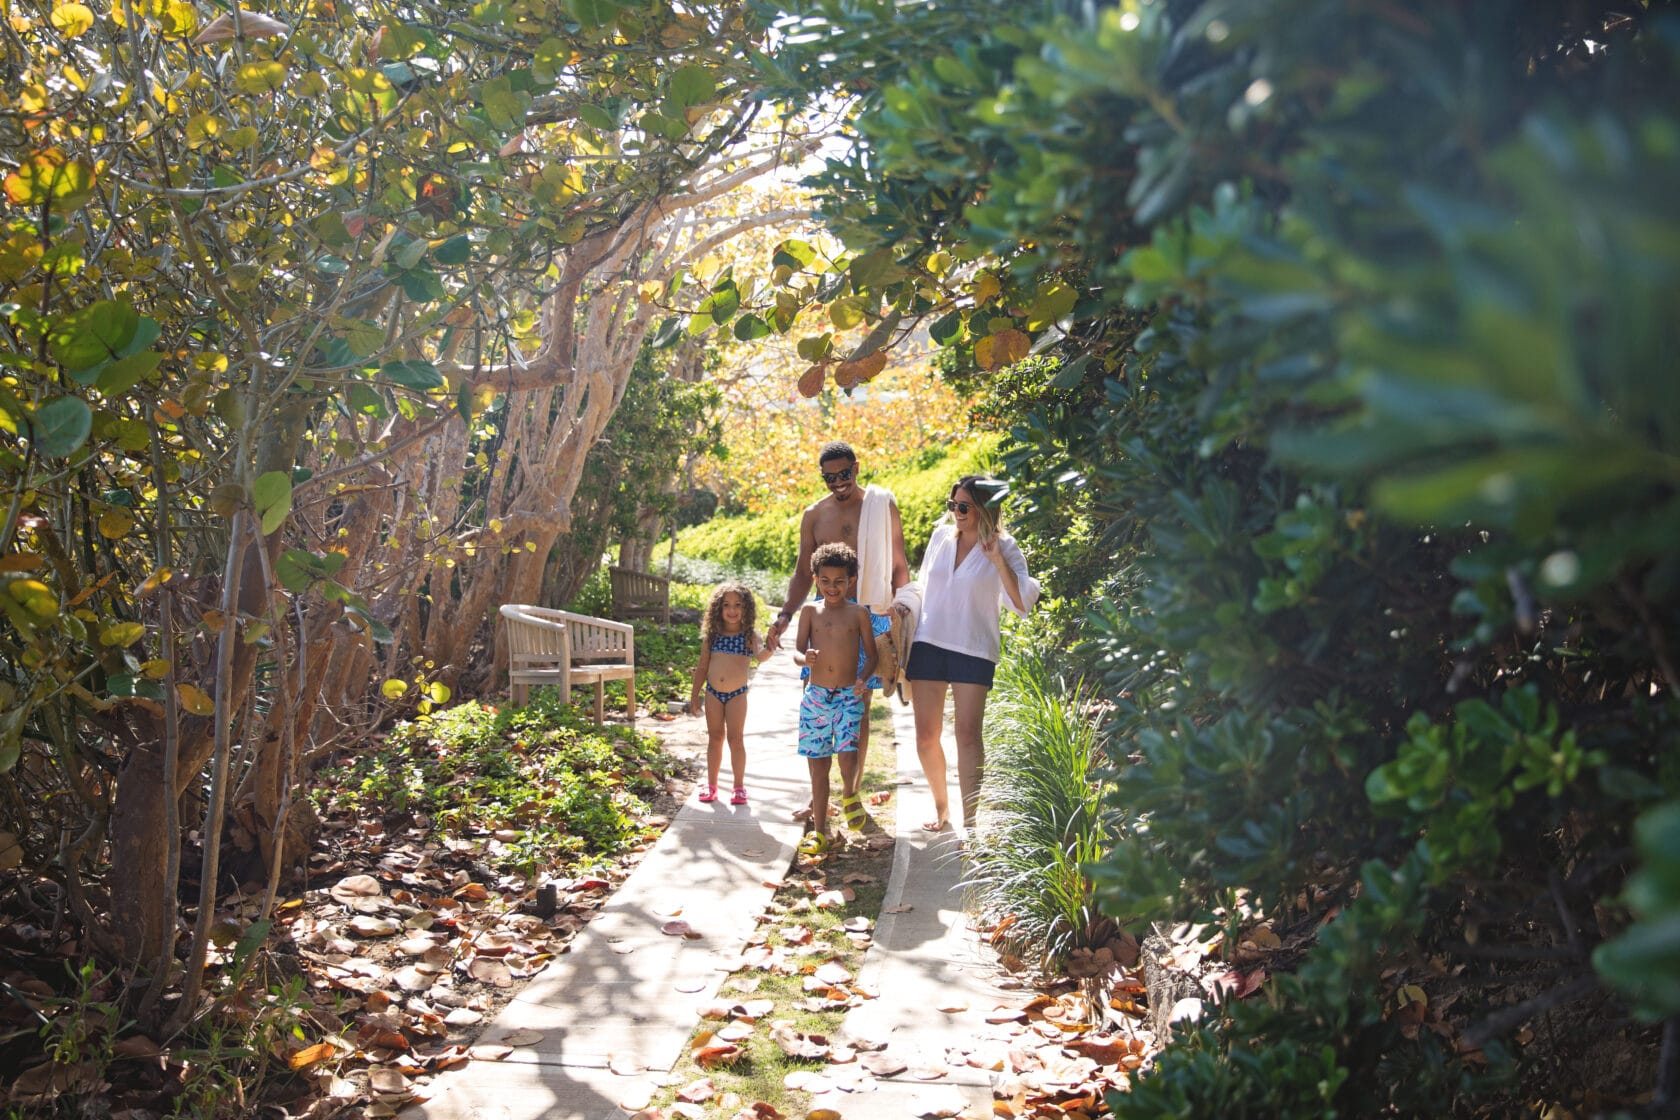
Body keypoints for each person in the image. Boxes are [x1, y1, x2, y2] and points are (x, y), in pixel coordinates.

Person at [765, 440, 909, 822]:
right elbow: (801, 573)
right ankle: (818, 800)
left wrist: (903, 609)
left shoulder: (880, 505)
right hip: (825, 623)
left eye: (844, 474)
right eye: (829, 478)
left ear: (857, 468)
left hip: (870, 615)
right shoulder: (814, 515)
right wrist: (784, 616)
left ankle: (851, 795)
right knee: (816, 705)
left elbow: (898, 563)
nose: (838, 483)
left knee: (857, 711)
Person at [902, 476, 1038, 833]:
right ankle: (942, 809)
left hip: (973, 648)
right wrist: (902, 609)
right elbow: (924, 587)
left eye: (964, 507)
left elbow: (1022, 603)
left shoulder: (1005, 547)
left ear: (985, 509)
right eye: (953, 506)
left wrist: (996, 560)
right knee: (925, 737)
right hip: (928, 641)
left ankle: (972, 823)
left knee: (967, 734)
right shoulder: (940, 538)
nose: (956, 513)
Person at [791, 542, 878, 855]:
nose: (832, 587)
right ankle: (819, 831)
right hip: (816, 697)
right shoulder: (810, 611)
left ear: (851, 580)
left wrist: (862, 679)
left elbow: (871, 655)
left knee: (847, 755)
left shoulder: (858, 614)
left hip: (846, 696)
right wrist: (806, 659)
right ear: (815, 579)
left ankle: (850, 794)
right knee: (818, 765)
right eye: (825, 581)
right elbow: (797, 652)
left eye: (839, 581)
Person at [688, 582, 767, 805]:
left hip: (737, 695)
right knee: (714, 739)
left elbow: (760, 657)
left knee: (735, 739)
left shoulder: (750, 636)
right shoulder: (712, 637)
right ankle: (711, 784)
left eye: (738, 605)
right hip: (713, 693)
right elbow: (702, 667)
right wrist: (695, 696)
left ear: (746, 608)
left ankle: (738, 786)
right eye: (726, 605)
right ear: (718, 609)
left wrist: (770, 646)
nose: (732, 610)